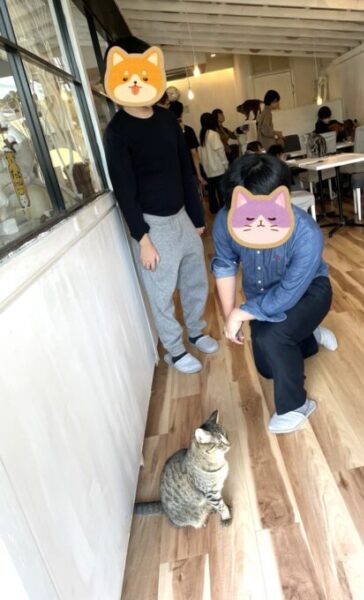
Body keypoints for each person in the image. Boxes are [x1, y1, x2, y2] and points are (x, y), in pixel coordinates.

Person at [103, 37, 218, 375]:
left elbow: (185, 169)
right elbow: (124, 189)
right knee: (161, 291)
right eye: (127, 76)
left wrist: (196, 216)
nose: (136, 83)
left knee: (195, 279)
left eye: (143, 74)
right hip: (152, 224)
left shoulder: (167, 120)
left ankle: (195, 331)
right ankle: (175, 350)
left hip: (181, 216)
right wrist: (143, 238)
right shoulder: (117, 131)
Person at [211, 154, 338, 434]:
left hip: (308, 292)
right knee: (267, 368)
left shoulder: (306, 233)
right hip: (262, 294)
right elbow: (224, 264)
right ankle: (308, 337)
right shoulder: (226, 219)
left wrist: (242, 313)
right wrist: (230, 314)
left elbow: (288, 294)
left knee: (272, 337)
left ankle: (296, 406)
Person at [169, 100, 206, 187]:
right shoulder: (189, 130)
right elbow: (194, 154)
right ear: (181, 113)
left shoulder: (167, 131)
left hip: (174, 173)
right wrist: (199, 175)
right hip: (189, 171)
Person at [199, 112, 228, 214]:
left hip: (208, 169)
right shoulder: (213, 134)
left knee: (211, 190)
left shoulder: (202, 135)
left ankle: (213, 209)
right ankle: (224, 209)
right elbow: (220, 151)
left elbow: (202, 154)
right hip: (218, 167)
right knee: (221, 191)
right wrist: (225, 164)